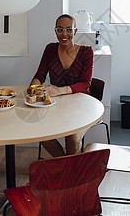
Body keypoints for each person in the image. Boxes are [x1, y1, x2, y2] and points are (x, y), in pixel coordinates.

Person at [29, 14, 94, 157]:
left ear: (75, 31)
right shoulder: (50, 49)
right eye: (60, 30)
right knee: (39, 132)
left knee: (72, 137)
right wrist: (33, 88)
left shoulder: (86, 52)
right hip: (56, 106)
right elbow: (40, 75)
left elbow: (85, 84)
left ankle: (67, 170)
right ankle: (68, 167)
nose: (64, 34)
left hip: (82, 106)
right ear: (55, 31)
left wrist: (58, 90)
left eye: (69, 30)